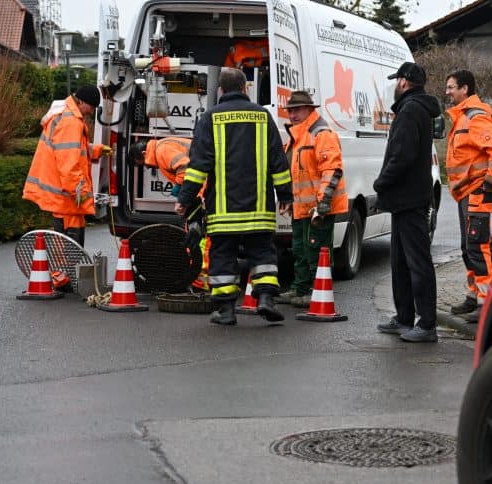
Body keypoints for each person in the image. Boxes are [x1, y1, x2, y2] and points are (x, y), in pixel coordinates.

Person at [176, 67, 293, 326]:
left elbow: (198, 167)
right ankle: (265, 300)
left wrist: (185, 199)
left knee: (222, 255)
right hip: (259, 206)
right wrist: (285, 195)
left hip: (223, 209)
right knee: (263, 254)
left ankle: (227, 311)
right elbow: (279, 160)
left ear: (220, 90)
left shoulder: (209, 118)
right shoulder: (263, 117)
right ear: (245, 88)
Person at [373, 61, 442, 343]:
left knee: (417, 262)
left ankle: (426, 324)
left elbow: (402, 156)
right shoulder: (415, 109)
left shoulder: (411, 110)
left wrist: (381, 183)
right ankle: (404, 317)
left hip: (409, 198)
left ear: (404, 82)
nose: (394, 86)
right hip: (406, 199)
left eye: (396, 81)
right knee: (400, 262)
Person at [443, 70, 492, 324]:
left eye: (451, 87)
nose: (447, 91)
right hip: (466, 192)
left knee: (478, 246)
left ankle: (486, 303)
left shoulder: (474, 117)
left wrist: (488, 185)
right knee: (468, 247)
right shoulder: (462, 117)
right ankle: (474, 297)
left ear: (465, 89)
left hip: (477, 192)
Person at [283, 90, 348, 307]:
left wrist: (323, 203)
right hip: (303, 208)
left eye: (296, 110)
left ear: (309, 110)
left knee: (315, 251)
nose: (292, 115)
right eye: (290, 111)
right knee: (301, 250)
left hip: (317, 209)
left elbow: (331, 169)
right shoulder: (299, 135)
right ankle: (300, 289)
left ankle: (315, 291)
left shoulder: (321, 134)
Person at [23, 85, 109, 249]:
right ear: (81, 101)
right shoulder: (71, 122)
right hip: (67, 197)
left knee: (65, 243)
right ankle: (62, 275)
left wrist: (95, 150)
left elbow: (70, 151)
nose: (91, 112)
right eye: (91, 107)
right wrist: (82, 194)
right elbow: (68, 165)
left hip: (64, 195)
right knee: (68, 246)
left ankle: (62, 274)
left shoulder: (65, 115)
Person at [131, 137, 210, 292]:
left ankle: (200, 282)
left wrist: (182, 196)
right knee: (198, 236)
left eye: (144, 163)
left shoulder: (161, 150)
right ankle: (198, 280)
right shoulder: (162, 147)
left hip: (203, 190)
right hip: (201, 190)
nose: (147, 167)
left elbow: (185, 168)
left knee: (201, 237)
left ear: (144, 152)